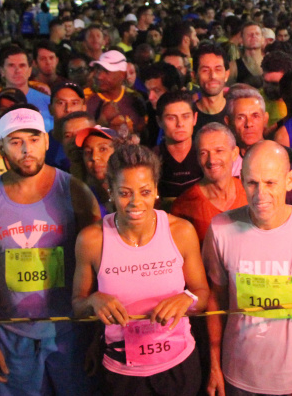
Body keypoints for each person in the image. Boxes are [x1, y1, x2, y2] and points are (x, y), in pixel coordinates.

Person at [0, 105, 101, 396]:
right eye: (16, 142)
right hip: (12, 338)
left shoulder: (75, 191)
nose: (26, 149)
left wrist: (96, 338)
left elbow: (100, 269)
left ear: (45, 140)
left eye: (33, 139)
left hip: (71, 333)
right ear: (0, 147)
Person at [71, 142, 209, 396]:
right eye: (125, 193)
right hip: (122, 374)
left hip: (179, 367)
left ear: (156, 190)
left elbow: (202, 294)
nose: (136, 203)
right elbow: (77, 307)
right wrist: (93, 300)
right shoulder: (92, 240)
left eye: (145, 192)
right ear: (110, 190)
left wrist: (186, 298)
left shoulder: (180, 232)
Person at [203, 141, 292, 395]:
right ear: (241, 180)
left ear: (289, 180)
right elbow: (216, 300)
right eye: (252, 183)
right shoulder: (221, 228)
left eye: (270, 183)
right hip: (236, 375)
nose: (260, 194)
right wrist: (214, 366)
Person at [170, 123, 247, 245]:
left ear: (234, 153)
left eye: (219, 151)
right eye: (204, 153)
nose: (212, 160)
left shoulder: (250, 193)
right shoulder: (184, 206)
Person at [85, 50, 147, 140]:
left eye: (106, 72)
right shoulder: (86, 97)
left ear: (122, 75)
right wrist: (102, 120)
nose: (99, 76)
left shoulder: (135, 98)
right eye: (98, 70)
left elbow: (145, 136)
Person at [154, 91, 203, 202]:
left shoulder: (206, 155)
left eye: (186, 117)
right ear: (159, 121)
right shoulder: (152, 159)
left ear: (195, 118)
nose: (180, 124)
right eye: (171, 118)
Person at [0, 45, 55, 133]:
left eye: (22, 65)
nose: (17, 71)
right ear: (2, 71)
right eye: (11, 66)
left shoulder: (48, 102)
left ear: (29, 71)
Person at [194, 44, 231, 130]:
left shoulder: (236, 112)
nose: (213, 76)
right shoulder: (187, 116)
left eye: (218, 69)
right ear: (194, 76)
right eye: (205, 70)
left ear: (227, 74)